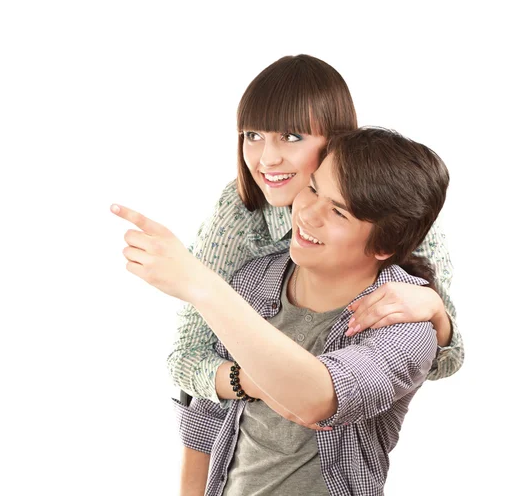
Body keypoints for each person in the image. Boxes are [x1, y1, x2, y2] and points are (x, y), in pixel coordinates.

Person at [156, 55, 462, 493]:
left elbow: (435, 358)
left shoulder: (401, 210)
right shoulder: (246, 252)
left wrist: (434, 312)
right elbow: (192, 368)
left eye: (292, 136)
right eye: (252, 136)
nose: (267, 157)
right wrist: (247, 380)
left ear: (338, 142)